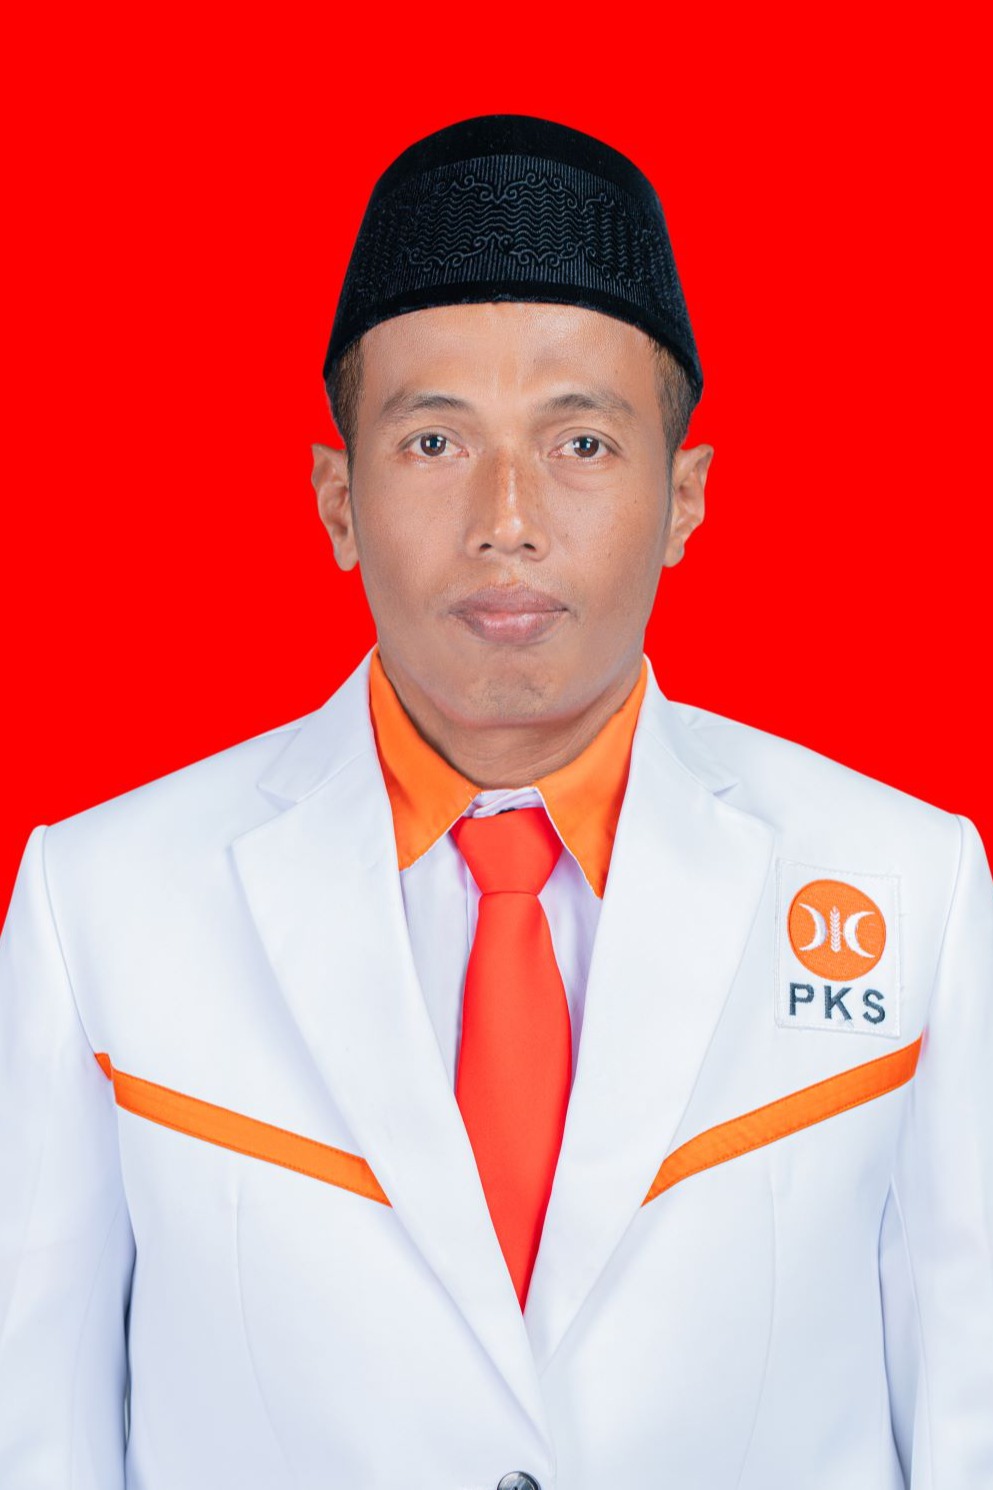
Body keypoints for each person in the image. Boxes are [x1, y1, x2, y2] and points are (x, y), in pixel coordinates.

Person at [0, 113, 990, 1490]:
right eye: (432, 442)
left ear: (685, 497)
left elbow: (968, 1418)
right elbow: (33, 1436)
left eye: (581, 442)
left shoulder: (907, 888)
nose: (507, 517)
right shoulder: (99, 905)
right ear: (336, 499)